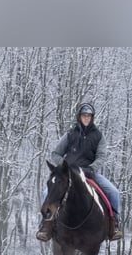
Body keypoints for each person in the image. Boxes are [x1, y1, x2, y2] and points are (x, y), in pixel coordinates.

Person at [36, 103, 123, 242]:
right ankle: (44, 226)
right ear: (79, 117)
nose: (86, 118)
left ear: (92, 118)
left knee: (114, 192)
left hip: (89, 173)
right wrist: (65, 167)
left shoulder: (98, 136)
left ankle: (115, 225)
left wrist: (92, 168)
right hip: (68, 174)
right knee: (45, 193)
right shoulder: (70, 134)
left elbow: (101, 156)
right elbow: (55, 154)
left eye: (89, 116)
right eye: (84, 115)